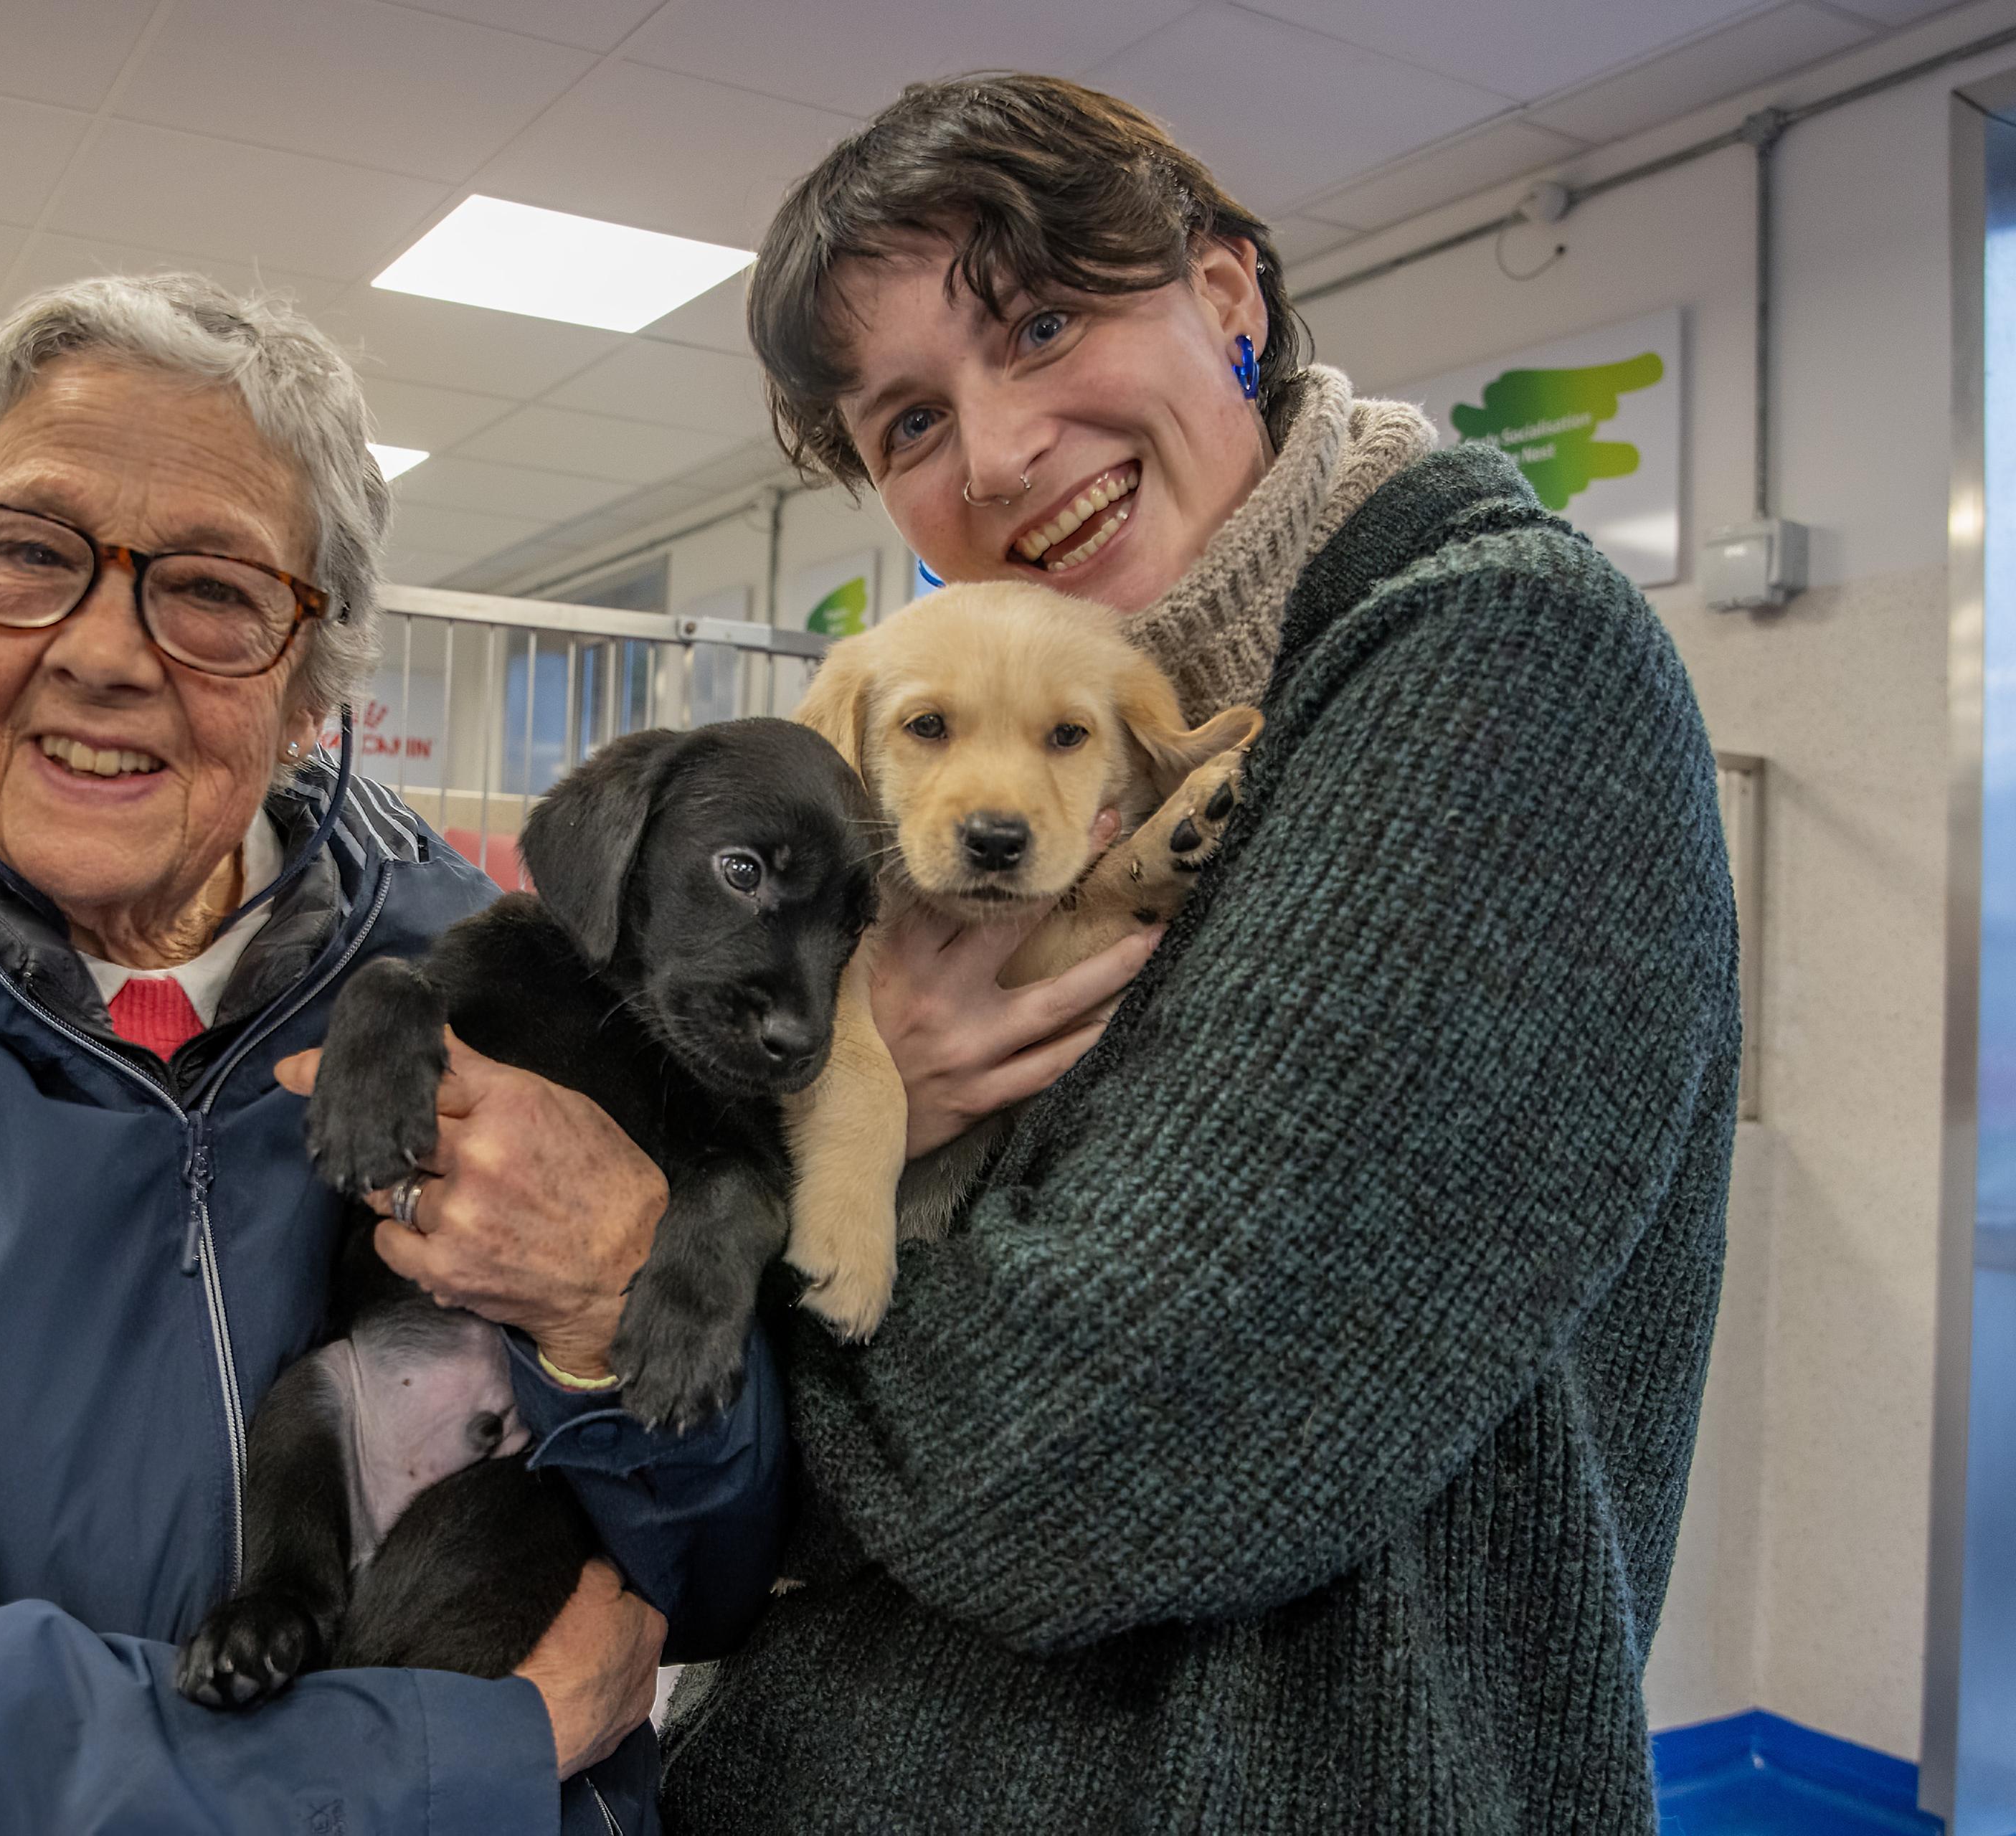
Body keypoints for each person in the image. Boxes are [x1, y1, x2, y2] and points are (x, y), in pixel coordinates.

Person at [0, 273, 785, 1835]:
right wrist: (442, 1756)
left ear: (308, 687)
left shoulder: (490, 971)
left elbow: (728, 1564)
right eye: (26, 554)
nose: (103, 649)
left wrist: (616, 1301)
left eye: (208, 586)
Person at [659, 75, 1737, 1832]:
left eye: (1045, 321)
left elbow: (1096, 1459)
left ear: (1230, 296)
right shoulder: (1007, 800)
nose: (997, 450)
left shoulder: (1493, 665)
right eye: (909, 423)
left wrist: (728, 1290)